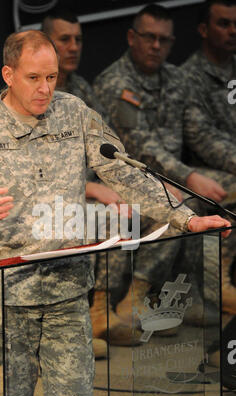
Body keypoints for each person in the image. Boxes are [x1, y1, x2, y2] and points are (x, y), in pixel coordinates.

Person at [0, 30, 230, 396]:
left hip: (65, 289)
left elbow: (124, 172)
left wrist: (185, 218)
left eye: (52, 78)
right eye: (34, 78)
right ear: (8, 74)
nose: (45, 89)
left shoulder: (74, 112)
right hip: (3, 296)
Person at [93, 3, 235, 322]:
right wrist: (190, 175)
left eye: (164, 40)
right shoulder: (116, 83)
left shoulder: (175, 78)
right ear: (132, 37)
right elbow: (142, 149)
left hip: (171, 176)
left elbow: (199, 133)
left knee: (228, 191)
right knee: (180, 199)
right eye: (149, 37)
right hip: (128, 178)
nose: (157, 46)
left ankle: (198, 289)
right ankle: (137, 295)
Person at [42, 8, 136, 353]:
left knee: (123, 210)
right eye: (64, 39)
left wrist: (121, 183)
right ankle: (74, 320)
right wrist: (90, 187)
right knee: (89, 212)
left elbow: (104, 144)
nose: (73, 47)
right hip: (42, 200)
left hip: (84, 192)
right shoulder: (27, 93)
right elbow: (30, 170)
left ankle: (101, 309)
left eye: (78, 40)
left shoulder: (81, 88)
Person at [181, 0, 236, 315]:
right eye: (223, 23)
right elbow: (200, 137)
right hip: (198, 169)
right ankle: (219, 282)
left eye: (235, 24)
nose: (232, 31)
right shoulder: (188, 76)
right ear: (203, 29)